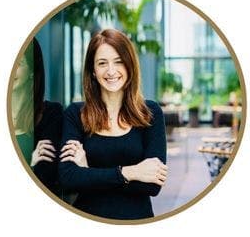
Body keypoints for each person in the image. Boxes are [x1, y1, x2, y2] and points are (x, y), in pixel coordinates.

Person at [58, 29, 168, 220]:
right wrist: (131, 172)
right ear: (93, 70)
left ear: (129, 65)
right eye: (102, 63)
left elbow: (152, 185)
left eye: (118, 61)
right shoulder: (76, 114)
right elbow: (68, 178)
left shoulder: (150, 113)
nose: (111, 71)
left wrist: (88, 173)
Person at [12, 38, 63, 195]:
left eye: (18, 64)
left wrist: (32, 166)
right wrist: (31, 163)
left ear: (32, 71)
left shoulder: (51, 115)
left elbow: (48, 179)